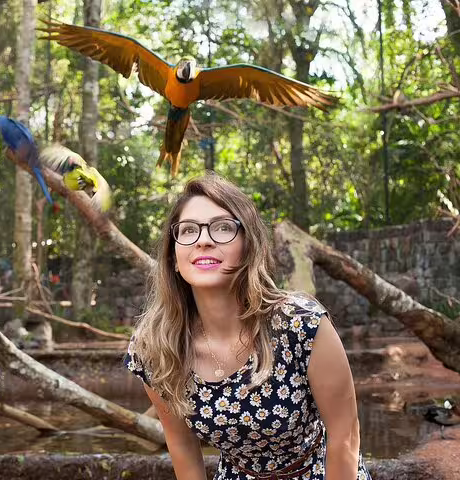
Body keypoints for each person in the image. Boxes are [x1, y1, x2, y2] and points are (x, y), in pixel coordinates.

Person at [124, 173, 371, 480]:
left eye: (223, 228)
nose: (203, 240)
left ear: (248, 246)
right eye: (188, 231)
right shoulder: (154, 345)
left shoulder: (300, 323)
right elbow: (182, 445)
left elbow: (345, 436)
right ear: (174, 257)